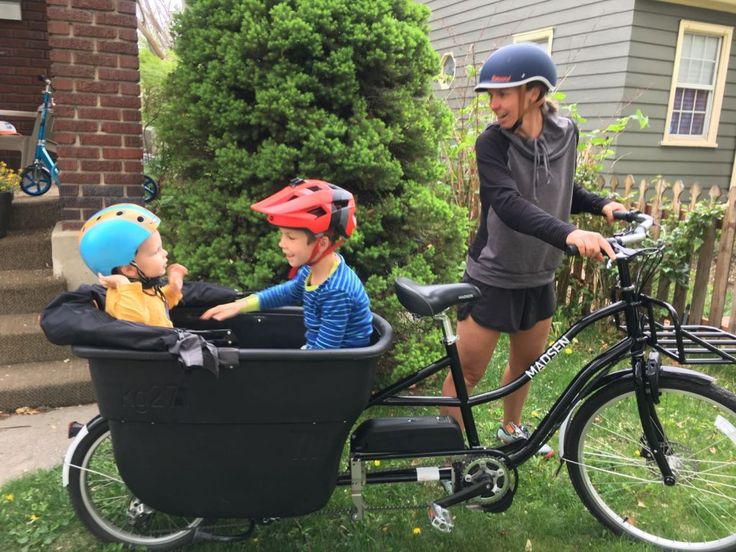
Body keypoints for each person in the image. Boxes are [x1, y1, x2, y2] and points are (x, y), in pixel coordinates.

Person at [441, 43, 626, 456]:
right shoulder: (492, 144)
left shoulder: (567, 132)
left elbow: (562, 188)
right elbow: (506, 203)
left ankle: (511, 430)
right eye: (489, 95)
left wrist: (601, 205)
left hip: (539, 273)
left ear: (535, 94)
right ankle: (449, 451)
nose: (493, 104)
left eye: (502, 94)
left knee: (526, 367)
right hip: (493, 274)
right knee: (468, 372)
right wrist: (568, 234)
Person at [201, 178, 373, 350]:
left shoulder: (336, 291)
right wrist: (240, 305)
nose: (281, 243)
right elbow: (288, 292)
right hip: (318, 353)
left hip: (337, 368)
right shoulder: (311, 270)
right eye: (282, 235)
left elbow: (325, 354)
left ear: (322, 244)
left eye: (290, 237)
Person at [78, 203, 189, 328]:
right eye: (156, 251)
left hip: (167, 342)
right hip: (157, 346)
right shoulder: (121, 297)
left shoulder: (145, 289)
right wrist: (123, 284)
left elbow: (157, 306)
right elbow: (135, 324)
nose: (165, 253)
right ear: (129, 269)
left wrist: (173, 289)